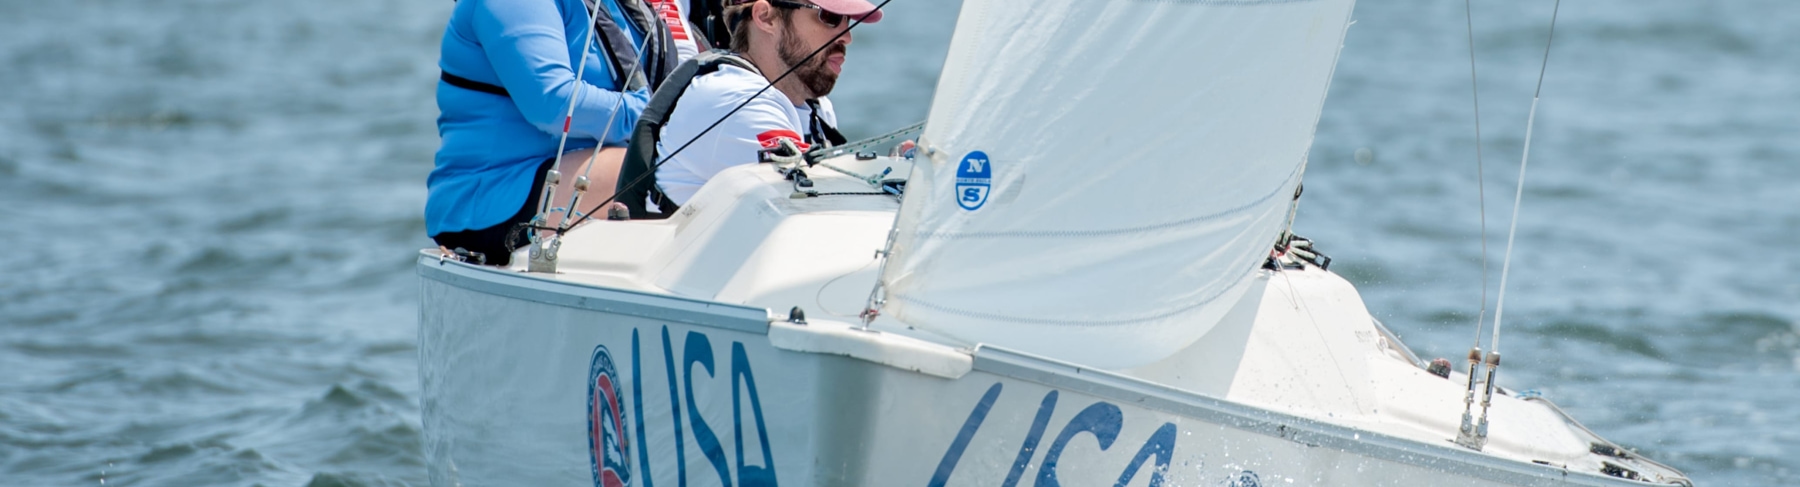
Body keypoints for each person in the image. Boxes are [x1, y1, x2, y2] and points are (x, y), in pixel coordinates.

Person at [426, 0, 688, 265]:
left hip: (577, 174)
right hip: (494, 197)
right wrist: (665, 116)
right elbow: (553, 104)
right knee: (684, 170)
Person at [643, 0, 882, 207]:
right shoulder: (733, 100)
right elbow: (816, 205)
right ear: (766, 18)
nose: (847, 36)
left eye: (848, 20)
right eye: (830, 17)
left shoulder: (815, 107)